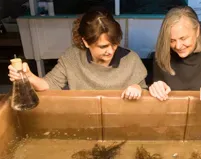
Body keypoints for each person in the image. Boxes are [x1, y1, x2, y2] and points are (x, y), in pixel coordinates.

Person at [8, 8, 147, 100]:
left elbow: (144, 93)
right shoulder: (72, 57)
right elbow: (50, 84)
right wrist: (29, 77)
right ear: (86, 42)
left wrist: (137, 88)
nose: (110, 50)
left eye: (115, 44)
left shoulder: (131, 60)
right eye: (103, 46)